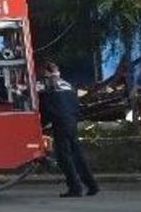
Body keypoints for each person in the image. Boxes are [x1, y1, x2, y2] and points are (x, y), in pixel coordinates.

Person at [38, 61, 98, 197]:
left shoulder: (46, 84)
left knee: (64, 156)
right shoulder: (67, 84)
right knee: (77, 154)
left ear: (47, 72)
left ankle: (75, 188)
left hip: (60, 122)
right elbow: (76, 103)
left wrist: (41, 125)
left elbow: (45, 106)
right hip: (72, 120)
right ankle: (92, 185)